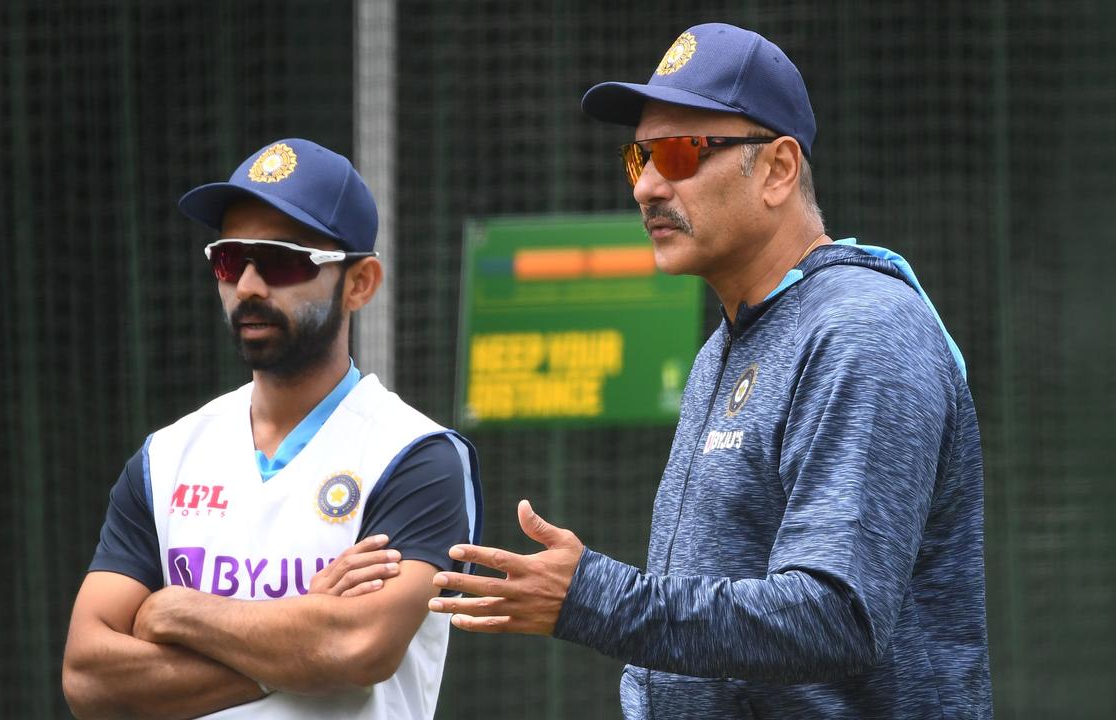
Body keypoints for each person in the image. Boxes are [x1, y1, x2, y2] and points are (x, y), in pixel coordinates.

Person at [426, 22, 991, 718]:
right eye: (639, 158)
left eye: (681, 152)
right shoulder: (727, 343)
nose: (649, 187)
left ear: (779, 170)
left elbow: (838, 614)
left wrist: (595, 598)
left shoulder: (861, 328)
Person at [62, 138, 482, 720]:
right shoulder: (167, 456)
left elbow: (357, 648)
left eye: (282, 259)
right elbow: (88, 676)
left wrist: (177, 612)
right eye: (231, 260)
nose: (250, 287)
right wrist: (302, 639)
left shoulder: (415, 456)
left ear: (359, 283)